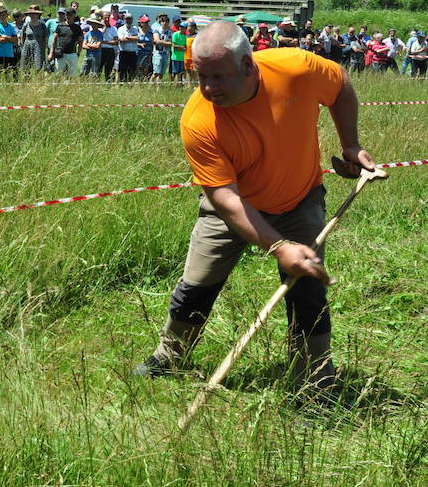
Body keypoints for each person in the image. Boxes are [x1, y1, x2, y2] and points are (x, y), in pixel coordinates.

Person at [132, 21, 376, 404]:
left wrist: (351, 144)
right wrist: (278, 246)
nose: (209, 88)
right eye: (201, 76)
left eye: (219, 76)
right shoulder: (198, 121)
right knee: (196, 286)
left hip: (299, 199)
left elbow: (340, 84)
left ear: (248, 65)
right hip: (232, 208)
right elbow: (226, 200)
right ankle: (170, 356)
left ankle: (315, 383)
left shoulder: (296, 68)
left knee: (307, 290)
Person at [49, 7, 83, 77]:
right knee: (58, 74)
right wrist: (51, 53)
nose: (68, 16)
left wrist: (78, 53)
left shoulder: (77, 27)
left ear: (74, 15)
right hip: (60, 54)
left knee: (72, 75)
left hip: (72, 54)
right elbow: (54, 40)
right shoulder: (60, 26)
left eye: (70, 15)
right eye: (67, 14)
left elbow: (80, 42)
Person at [19, 5, 47, 72]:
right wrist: (23, 46)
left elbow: (45, 38)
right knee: (25, 68)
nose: (32, 15)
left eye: (34, 13)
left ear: (38, 15)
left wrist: (44, 48)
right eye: (31, 13)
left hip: (39, 48)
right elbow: (22, 37)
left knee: (38, 68)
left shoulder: (42, 25)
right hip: (27, 46)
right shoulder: (26, 25)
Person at [0, 8, 18, 73]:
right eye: (0, 15)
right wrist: (10, 39)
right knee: (0, 72)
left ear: (7, 15)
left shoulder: (11, 26)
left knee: (9, 73)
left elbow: (16, 40)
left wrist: (5, 37)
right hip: (0, 53)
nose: (2, 17)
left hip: (10, 53)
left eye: (3, 15)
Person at [117, 13, 139, 81]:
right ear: (124, 20)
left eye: (130, 19)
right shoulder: (121, 29)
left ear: (132, 20)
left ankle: (130, 85)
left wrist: (128, 37)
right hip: (123, 52)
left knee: (132, 71)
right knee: (122, 70)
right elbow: (121, 39)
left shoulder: (135, 29)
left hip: (133, 53)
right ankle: (121, 84)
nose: (128, 21)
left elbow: (138, 38)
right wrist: (133, 38)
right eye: (127, 19)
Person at [152, 12, 173, 82]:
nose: (164, 23)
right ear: (160, 22)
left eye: (166, 21)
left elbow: (172, 43)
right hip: (158, 53)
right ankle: (149, 85)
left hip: (166, 54)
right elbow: (157, 41)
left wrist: (164, 43)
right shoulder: (156, 30)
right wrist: (167, 43)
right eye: (162, 21)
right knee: (156, 72)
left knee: (162, 73)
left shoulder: (170, 31)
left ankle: (158, 86)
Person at [100, 13, 120, 81]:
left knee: (108, 69)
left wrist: (104, 42)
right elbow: (98, 39)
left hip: (110, 51)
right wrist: (104, 28)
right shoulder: (99, 29)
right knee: (99, 68)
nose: (107, 19)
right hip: (101, 50)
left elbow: (116, 42)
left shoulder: (113, 28)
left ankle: (107, 83)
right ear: (102, 18)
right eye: (105, 18)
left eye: (108, 18)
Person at [137, 14, 154, 79]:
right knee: (138, 68)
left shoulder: (150, 32)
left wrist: (151, 54)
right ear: (141, 23)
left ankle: (143, 81)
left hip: (148, 53)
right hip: (138, 53)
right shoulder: (137, 31)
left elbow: (152, 43)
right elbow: (133, 42)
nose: (147, 24)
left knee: (145, 69)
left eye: (147, 22)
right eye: (145, 22)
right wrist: (139, 44)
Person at [183, 19, 198, 83]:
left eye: (190, 26)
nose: (188, 28)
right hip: (186, 55)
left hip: (193, 56)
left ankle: (196, 83)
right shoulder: (185, 36)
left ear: (194, 27)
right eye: (188, 26)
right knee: (188, 70)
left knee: (194, 70)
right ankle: (189, 84)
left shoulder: (196, 36)